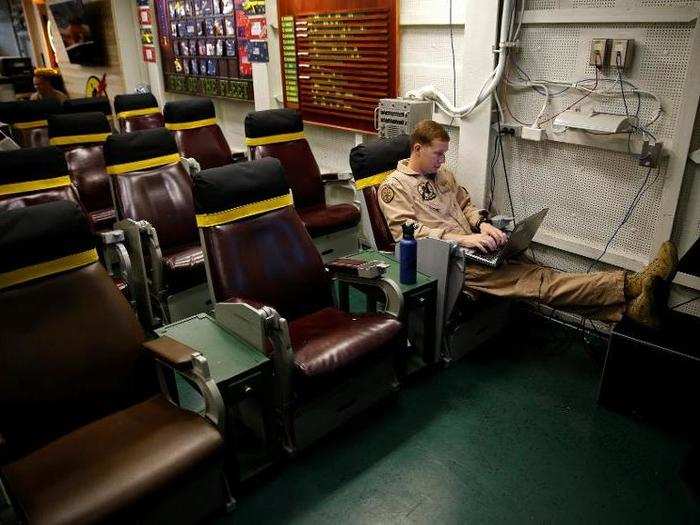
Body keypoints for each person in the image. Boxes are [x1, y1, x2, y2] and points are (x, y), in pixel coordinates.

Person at [377, 120, 678, 329]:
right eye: (438, 154)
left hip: (473, 248)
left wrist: (482, 226)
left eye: (445, 154)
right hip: (449, 261)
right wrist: (461, 239)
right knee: (542, 284)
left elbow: (466, 205)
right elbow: (409, 232)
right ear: (417, 149)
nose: (443, 160)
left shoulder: (443, 176)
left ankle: (629, 312)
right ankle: (629, 284)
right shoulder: (395, 187)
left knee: (542, 276)